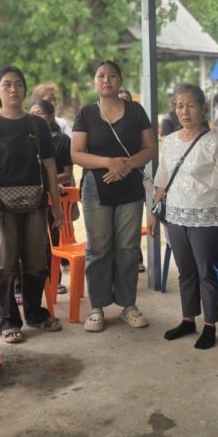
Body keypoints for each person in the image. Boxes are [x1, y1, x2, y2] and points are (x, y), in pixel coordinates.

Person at [0, 66, 63, 343]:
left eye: (18, 84)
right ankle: (6, 320)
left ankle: (35, 313)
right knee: (6, 263)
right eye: (6, 85)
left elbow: (50, 166)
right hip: (4, 206)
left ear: (24, 89)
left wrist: (56, 204)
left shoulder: (36, 124)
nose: (13, 89)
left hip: (37, 202)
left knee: (37, 261)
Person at [71, 60, 155, 333]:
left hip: (130, 187)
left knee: (128, 248)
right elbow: (76, 153)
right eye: (101, 76)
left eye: (112, 75)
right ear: (95, 81)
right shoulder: (86, 113)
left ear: (120, 80)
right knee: (98, 249)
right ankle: (97, 307)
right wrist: (109, 163)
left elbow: (149, 148)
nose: (106, 80)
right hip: (96, 187)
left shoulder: (136, 110)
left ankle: (128, 305)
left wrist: (125, 166)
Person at [148, 84, 218, 350]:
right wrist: (154, 211)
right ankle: (188, 319)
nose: (184, 111)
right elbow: (162, 179)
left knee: (206, 272)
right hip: (175, 217)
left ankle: (210, 326)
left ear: (202, 108)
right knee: (185, 271)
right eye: (179, 106)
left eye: (191, 105)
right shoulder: (169, 141)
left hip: (207, 218)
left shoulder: (215, 142)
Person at [32, 98, 74, 295]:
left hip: (56, 195)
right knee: (34, 242)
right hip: (32, 197)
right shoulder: (27, 138)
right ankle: (32, 284)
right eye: (32, 113)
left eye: (40, 113)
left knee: (53, 240)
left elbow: (67, 173)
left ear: (50, 116)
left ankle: (54, 280)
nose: (35, 117)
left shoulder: (63, 140)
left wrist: (48, 182)